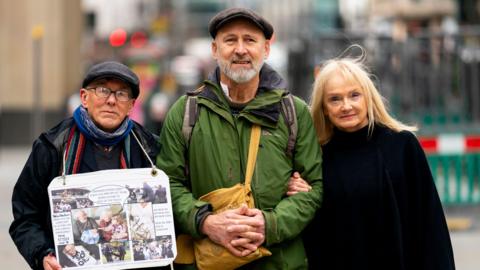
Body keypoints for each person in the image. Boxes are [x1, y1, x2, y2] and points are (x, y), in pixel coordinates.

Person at [157, 7, 323, 269]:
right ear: (215, 49)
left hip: (278, 262)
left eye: (250, 40)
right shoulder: (185, 112)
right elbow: (168, 184)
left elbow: (314, 188)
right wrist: (206, 222)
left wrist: (269, 225)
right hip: (208, 261)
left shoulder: (294, 112)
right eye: (230, 40)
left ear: (266, 49)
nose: (240, 49)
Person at [287, 52, 455, 269]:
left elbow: (430, 224)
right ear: (324, 109)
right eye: (335, 99)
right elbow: (316, 235)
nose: (346, 106)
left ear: (368, 97)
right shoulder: (315, 156)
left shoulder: (402, 145)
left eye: (354, 95)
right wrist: (302, 198)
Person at [9, 61, 160, 270]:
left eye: (122, 94)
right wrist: (43, 255)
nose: (111, 100)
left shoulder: (149, 149)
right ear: (84, 97)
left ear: (131, 105)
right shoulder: (53, 146)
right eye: (102, 90)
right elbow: (25, 217)